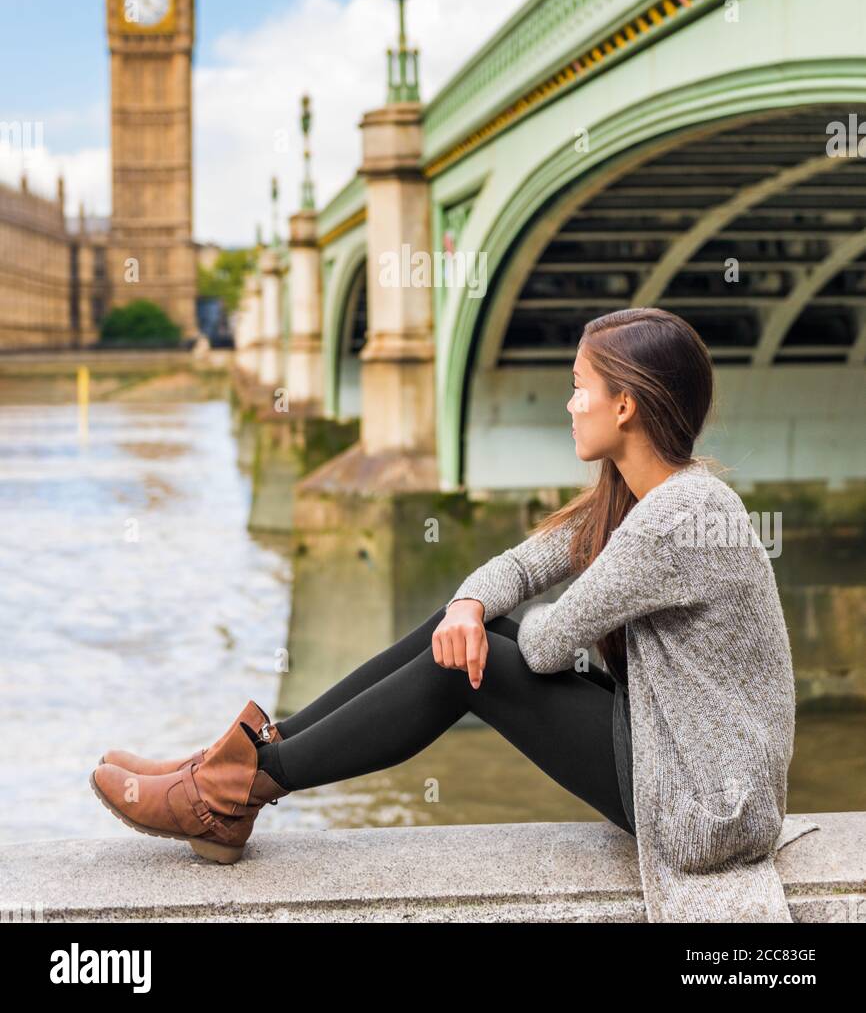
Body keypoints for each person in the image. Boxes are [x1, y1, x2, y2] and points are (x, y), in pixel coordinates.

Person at [90, 307, 816, 920]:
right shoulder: (641, 498)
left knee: (472, 663)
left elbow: (546, 643)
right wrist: (470, 601)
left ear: (624, 405)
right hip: (673, 754)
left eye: (578, 389)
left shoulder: (681, 515)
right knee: (465, 623)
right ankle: (240, 762)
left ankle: (231, 789)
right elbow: (525, 565)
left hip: (704, 809)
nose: (568, 405)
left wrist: (487, 626)